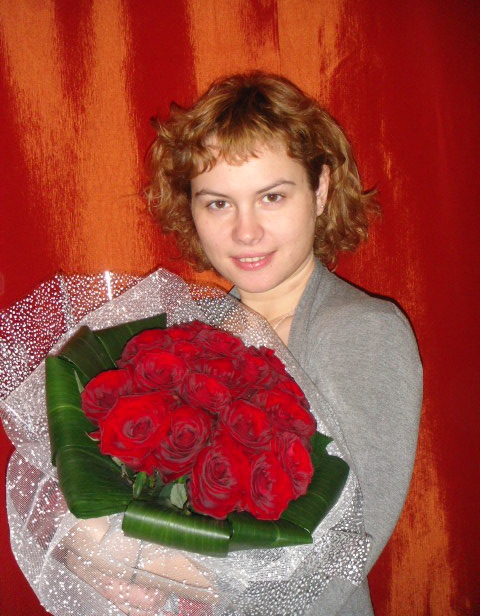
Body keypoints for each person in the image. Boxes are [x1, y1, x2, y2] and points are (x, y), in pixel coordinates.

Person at [145, 71, 423, 614]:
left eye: (271, 196)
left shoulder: (363, 333)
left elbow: (348, 547)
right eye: (218, 203)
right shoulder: (192, 331)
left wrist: (181, 581)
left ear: (319, 190)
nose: (245, 232)